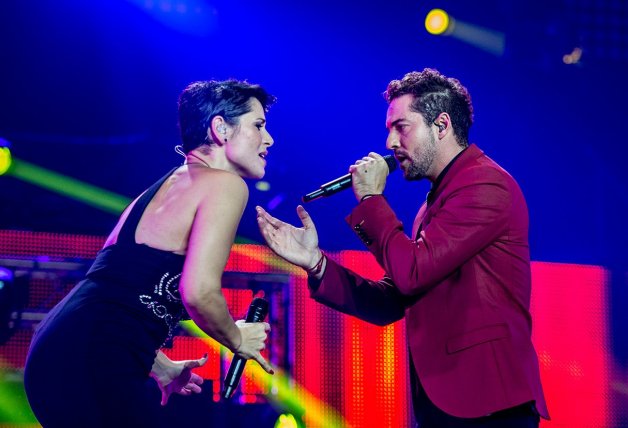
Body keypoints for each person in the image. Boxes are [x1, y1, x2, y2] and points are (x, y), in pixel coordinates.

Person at [256, 68, 549, 427]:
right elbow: (392, 300)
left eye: (402, 127)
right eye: (389, 130)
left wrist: (371, 198)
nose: (391, 144)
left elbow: (412, 273)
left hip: (488, 402)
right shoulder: (435, 203)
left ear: (441, 125)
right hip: (445, 403)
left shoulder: (485, 185)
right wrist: (316, 263)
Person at [24, 79, 276, 427]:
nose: (269, 139)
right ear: (220, 128)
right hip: (94, 351)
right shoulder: (226, 184)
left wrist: (159, 363)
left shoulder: (171, 183)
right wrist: (237, 337)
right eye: (258, 125)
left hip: (59, 344)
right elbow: (199, 292)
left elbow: (124, 286)